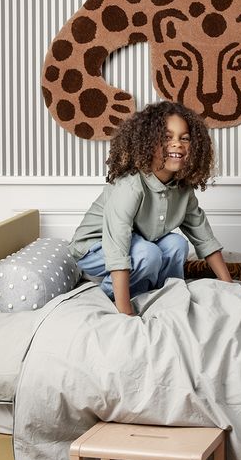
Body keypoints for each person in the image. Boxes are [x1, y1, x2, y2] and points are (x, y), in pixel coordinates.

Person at [69, 101, 232, 316]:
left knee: (177, 244)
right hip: (94, 248)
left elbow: (204, 237)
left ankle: (163, 294)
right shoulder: (131, 185)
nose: (177, 144)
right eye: (167, 137)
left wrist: (230, 286)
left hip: (137, 243)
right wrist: (126, 312)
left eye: (184, 138)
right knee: (149, 254)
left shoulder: (183, 189)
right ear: (148, 143)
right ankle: (110, 292)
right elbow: (117, 244)